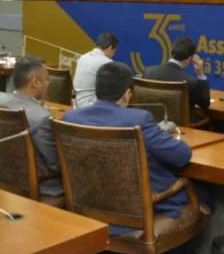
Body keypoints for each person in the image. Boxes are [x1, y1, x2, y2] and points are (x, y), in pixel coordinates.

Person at [65, 62, 193, 223]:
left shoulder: (71, 118)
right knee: (204, 194)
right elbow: (181, 156)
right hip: (137, 211)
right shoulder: (139, 119)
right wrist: (170, 138)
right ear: (127, 94)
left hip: (88, 206)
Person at [0, 58, 63, 199]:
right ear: (35, 82)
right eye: (47, 79)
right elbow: (55, 165)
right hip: (36, 187)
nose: (49, 84)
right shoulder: (41, 117)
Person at [143, 37, 210, 121]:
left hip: (152, 123)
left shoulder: (149, 72)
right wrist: (201, 74)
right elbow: (205, 103)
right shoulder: (190, 82)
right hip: (181, 128)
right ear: (189, 59)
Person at [72, 32, 118, 107]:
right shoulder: (107, 63)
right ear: (110, 47)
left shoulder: (83, 57)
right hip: (92, 108)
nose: (113, 55)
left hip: (75, 105)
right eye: (114, 51)